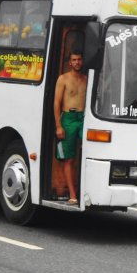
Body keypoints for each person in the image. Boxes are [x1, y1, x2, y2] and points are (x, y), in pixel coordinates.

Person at [54, 50, 87, 205]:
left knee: (89, 152)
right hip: (68, 118)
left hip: (84, 118)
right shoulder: (63, 79)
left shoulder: (86, 79)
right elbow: (56, 103)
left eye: (79, 59)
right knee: (69, 159)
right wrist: (58, 126)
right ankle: (72, 195)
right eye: (74, 60)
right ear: (70, 62)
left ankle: (86, 190)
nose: (77, 62)